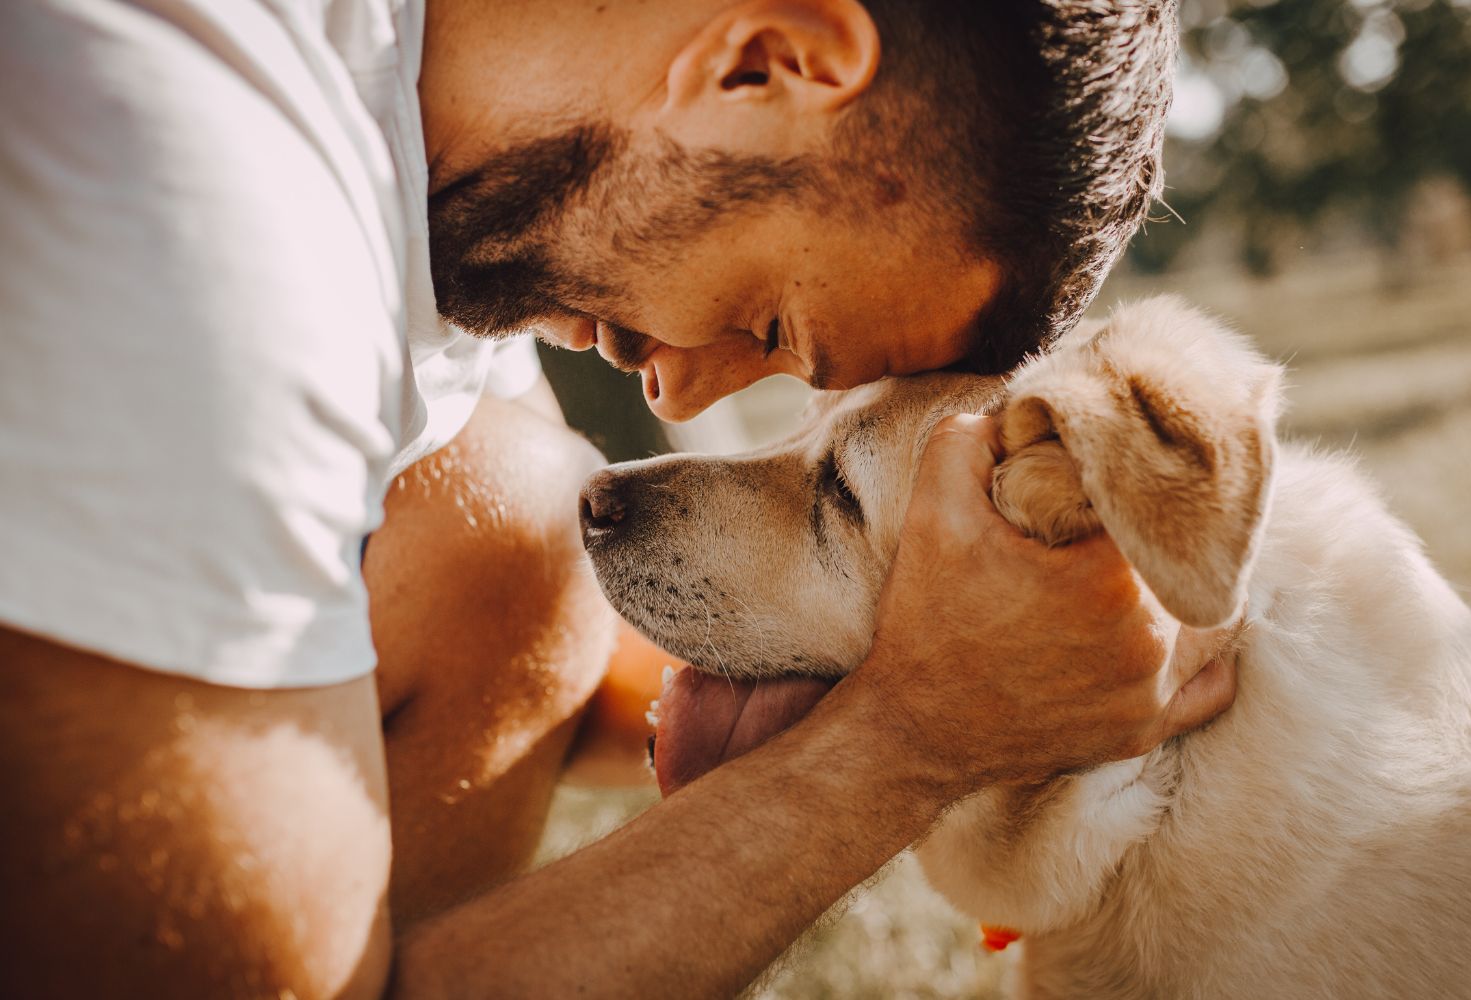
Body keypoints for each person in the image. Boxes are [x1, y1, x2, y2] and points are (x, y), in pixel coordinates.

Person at [0, 0, 1234, 996]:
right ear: (768, 62)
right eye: (769, 321)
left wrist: (999, 666)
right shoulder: (193, 194)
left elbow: (559, 663)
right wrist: (913, 740)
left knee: (509, 522)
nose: (684, 400)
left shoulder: (421, 146)